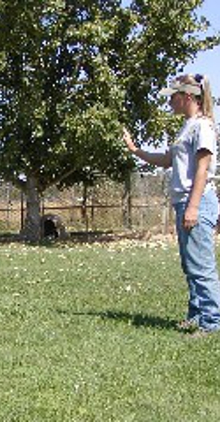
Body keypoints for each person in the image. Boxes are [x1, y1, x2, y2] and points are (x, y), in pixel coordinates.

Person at [123, 74, 220, 336]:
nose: (169, 102)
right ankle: (197, 315)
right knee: (191, 265)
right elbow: (168, 160)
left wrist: (193, 207)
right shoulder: (187, 126)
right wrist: (136, 151)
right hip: (185, 202)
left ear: (188, 96)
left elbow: (202, 169)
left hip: (196, 201)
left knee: (201, 265)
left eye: (173, 97)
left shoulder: (203, 127)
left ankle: (211, 323)